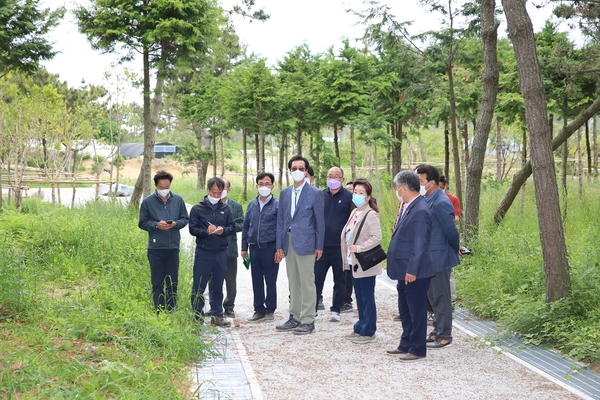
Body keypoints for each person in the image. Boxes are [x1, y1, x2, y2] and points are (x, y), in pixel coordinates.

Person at [386, 170, 434, 362]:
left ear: (403, 188)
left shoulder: (420, 209)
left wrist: (412, 269)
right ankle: (405, 343)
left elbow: (419, 243)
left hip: (414, 271)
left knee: (416, 311)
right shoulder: (408, 206)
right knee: (405, 309)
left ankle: (417, 348)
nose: (397, 191)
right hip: (403, 269)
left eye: (397, 188)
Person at [275, 155, 325, 335]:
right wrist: (279, 245)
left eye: (301, 168)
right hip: (289, 241)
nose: (297, 171)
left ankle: (308, 319)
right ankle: (294, 316)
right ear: (289, 171)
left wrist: (319, 245)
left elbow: (320, 222)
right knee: (293, 281)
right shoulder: (285, 193)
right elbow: (281, 220)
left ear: (306, 171)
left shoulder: (315, 193)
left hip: (307, 242)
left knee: (307, 281)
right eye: (294, 168)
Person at [417, 165, 460, 349]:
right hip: (428, 256)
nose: (418, 184)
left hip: (440, 256)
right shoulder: (427, 199)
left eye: (420, 181)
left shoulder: (441, 202)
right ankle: (436, 331)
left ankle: (445, 335)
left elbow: (451, 230)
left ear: (431, 183)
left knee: (442, 297)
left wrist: (455, 247)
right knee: (432, 296)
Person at [138, 170, 189, 312]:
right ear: (156, 185)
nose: (164, 190)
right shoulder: (148, 202)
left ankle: (171, 309)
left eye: (167, 187)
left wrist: (175, 224)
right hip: (155, 248)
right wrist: (156, 225)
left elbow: (185, 219)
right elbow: (142, 222)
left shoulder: (178, 200)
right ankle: (159, 309)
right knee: (157, 281)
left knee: (172, 281)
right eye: (161, 187)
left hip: (173, 247)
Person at [188, 177, 235, 327]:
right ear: (207, 190)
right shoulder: (197, 208)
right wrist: (205, 231)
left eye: (219, 193)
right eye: (213, 193)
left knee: (217, 284)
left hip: (221, 251)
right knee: (199, 285)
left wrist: (223, 230)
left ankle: (217, 315)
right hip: (204, 251)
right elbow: (192, 229)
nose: (216, 196)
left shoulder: (226, 208)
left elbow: (232, 227)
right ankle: (197, 315)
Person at [341, 179, 382, 344]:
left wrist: (359, 247)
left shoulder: (371, 214)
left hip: (365, 262)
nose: (357, 195)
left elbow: (377, 237)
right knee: (359, 296)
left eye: (361, 193)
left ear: (368, 197)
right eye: (355, 192)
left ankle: (369, 331)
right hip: (353, 262)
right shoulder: (354, 212)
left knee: (367, 297)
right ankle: (360, 326)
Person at [315, 167, 354, 322]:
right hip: (321, 247)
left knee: (340, 280)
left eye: (337, 176)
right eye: (330, 176)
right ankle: (313, 308)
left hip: (340, 248)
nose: (333, 179)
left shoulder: (349, 197)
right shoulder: (319, 196)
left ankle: (336, 309)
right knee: (316, 279)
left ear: (342, 179)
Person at [241, 172, 280, 322]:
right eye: (261, 184)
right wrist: (244, 247)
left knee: (270, 280)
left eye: (267, 184)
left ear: (272, 186)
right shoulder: (252, 204)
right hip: (254, 248)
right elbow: (245, 226)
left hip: (270, 247)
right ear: (257, 186)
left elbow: (281, 228)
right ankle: (259, 309)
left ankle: (270, 309)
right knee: (256, 279)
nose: (264, 187)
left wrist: (279, 248)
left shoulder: (277, 205)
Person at [207, 178, 243, 318]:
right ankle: (214, 306)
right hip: (212, 248)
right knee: (213, 279)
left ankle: (229, 306)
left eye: (223, 189)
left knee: (230, 280)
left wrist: (227, 228)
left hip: (230, 248)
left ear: (228, 190)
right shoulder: (207, 205)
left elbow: (242, 224)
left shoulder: (236, 206)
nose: (219, 193)